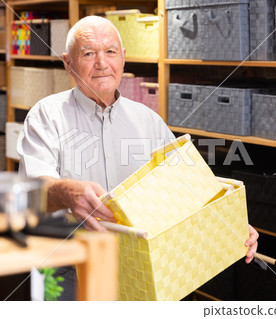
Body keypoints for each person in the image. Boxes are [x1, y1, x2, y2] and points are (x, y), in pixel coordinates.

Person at [17, 16, 258, 300]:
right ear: (68, 63)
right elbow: (31, 191)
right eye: (88, 53)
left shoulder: (148, 120)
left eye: (110, 51)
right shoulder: (47, 115)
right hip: (67, 268)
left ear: (123, 58)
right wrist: (66, 192)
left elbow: (188, 191)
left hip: (140, 269)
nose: (102, 63)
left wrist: (228, 223)